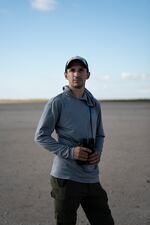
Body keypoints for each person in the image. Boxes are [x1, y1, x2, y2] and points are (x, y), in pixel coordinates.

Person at [34, 56, 114, 225]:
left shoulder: (94, 104)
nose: (76, 74)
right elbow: (40, 136)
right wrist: (70, 152)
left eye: (80, 70)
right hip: (65, 178)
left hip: (91, 176)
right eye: (72, 70)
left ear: (88, 75)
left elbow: (100, 134)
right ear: (66, 75)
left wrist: (98, 152)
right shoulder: (57, 102)